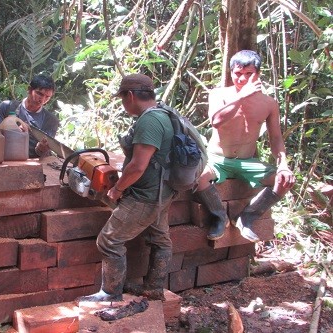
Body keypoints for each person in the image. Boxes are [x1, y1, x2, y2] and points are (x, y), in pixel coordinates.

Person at [78, 74, 175, 302]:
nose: (123, 104)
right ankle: (153, 288)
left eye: (123, 99)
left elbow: (138, 166)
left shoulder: (149, 121)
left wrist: (118, 189)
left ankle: (111, 293)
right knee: (161, 241)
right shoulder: (163, 114)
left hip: (146, 197)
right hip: (162, 192)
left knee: (109, 241)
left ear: (130, 96)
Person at [194, 50, 295, 242]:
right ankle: (220, 216)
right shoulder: (218, 94)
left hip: (247, 161)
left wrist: (283, 164)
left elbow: (276, 137)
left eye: (249, 74)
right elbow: (216, 120)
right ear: (231, 72)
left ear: (258, 74)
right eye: (238, 74)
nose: (242, 79)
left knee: (283, 180)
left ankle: (247, 216)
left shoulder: (269, 104)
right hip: (217, 159)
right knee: (198, 176)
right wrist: (241, 97)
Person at [0, 74, 59, 158]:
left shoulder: (50, 120)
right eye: (39, 94)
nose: (42, 100)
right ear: (29, 89)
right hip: (4, 158)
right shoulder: (7, 106)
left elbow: (43, 153)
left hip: (32, 163)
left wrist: (41, 149)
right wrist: (12, 131)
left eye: (47, 97)